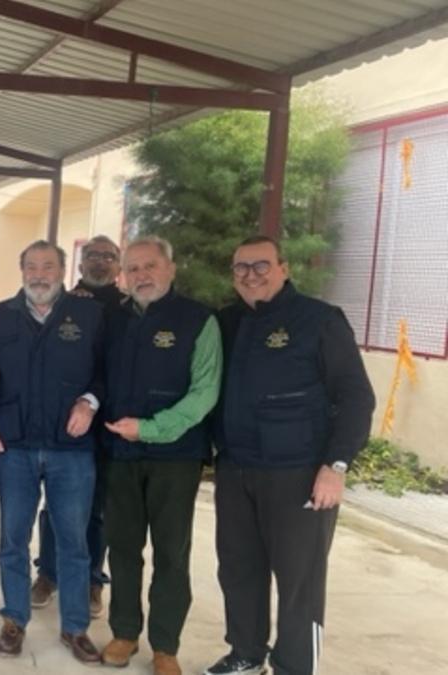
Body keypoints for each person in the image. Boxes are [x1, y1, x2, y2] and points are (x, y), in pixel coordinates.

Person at [205, 236, 375, 675]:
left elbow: (356, 397)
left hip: (299, 473)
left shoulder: (319, 320)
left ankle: (295, 666)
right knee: (239, 569)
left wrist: (336, 465)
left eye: (260, 265)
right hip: (237, 468)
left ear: (283, 268)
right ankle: (246, 654)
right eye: (240, 268)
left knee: (298, 580)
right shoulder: (226, 321)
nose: (250, 275)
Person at [98, 236, 222, 675]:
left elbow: (205, 391)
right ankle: (125, 632)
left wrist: (151, 429)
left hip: (176, 455)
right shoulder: (113, 318)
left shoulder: (197, 320)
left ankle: (165, 645)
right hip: (119, 453)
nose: (141, 275)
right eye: (133, 269)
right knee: (124, 548)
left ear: (171, 269)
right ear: (123, 275)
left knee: (172, 552)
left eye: (150, 266)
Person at [0, 241, 104, 662]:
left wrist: (90, 400)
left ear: (62, 269)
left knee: (73, 542)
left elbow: (107, 369)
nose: (39, 274)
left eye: (48, 266)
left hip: (70, 447)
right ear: (21, 270)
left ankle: (75, 628)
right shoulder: (1, 315)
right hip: (14, 444)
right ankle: (14, 619)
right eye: (31, 266)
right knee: (13, 540)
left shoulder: (89, 314)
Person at [33, 234, 124, 614]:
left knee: (98, 507)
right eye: (92, 256)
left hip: (112, 422)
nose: (100, 262)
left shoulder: (129, 305)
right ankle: (49, 574)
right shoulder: (63, 302)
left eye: (108, 256)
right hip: (65, 421)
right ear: (80, 263)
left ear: (118, 265)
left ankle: (91, 580)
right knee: (56, 504)